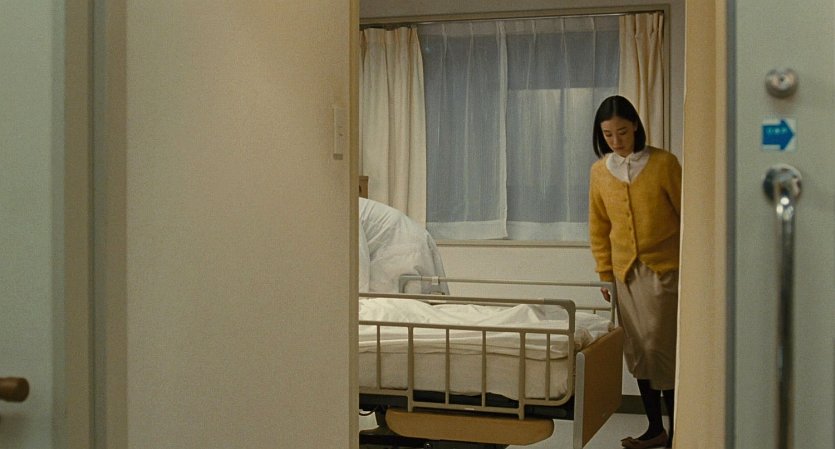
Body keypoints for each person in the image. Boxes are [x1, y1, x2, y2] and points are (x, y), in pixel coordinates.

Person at [587, 95, 681, 449]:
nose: (616, 140)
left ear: (636, 127)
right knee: (638, 349)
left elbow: (687, 215)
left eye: (623, 132)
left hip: (664, 270)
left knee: (662, 347)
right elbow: (599, 226)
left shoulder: (664, 163)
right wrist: (604, 273)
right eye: (608, 134)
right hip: (624, 274)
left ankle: (678, 429)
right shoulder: (600, 171)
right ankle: (655, 428)